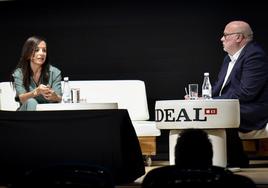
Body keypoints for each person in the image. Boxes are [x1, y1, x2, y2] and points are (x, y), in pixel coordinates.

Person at [212, 20, 268, 167]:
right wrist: (204, 98)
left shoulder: (255, 55)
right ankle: (212, 159)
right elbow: (219, 87)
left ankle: (236, 159)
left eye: (225, 35)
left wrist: (216, 102)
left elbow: (247, 93)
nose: (221, 39)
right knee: (209, 112)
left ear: (238, 37)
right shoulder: (228, 58)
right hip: (236, 104)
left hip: (254, 107)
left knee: (222, 113)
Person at [12, 36, 62, 111]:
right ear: (28, 53)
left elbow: (59, 99)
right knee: (31, 102)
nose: (41, 53)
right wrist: (36, 92)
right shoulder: (19, 73)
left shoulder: (55, 72)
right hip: (24, 115)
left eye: (44, 50)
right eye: (37, 50)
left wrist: (54, 96)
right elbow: (22, 98)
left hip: (46, 113)